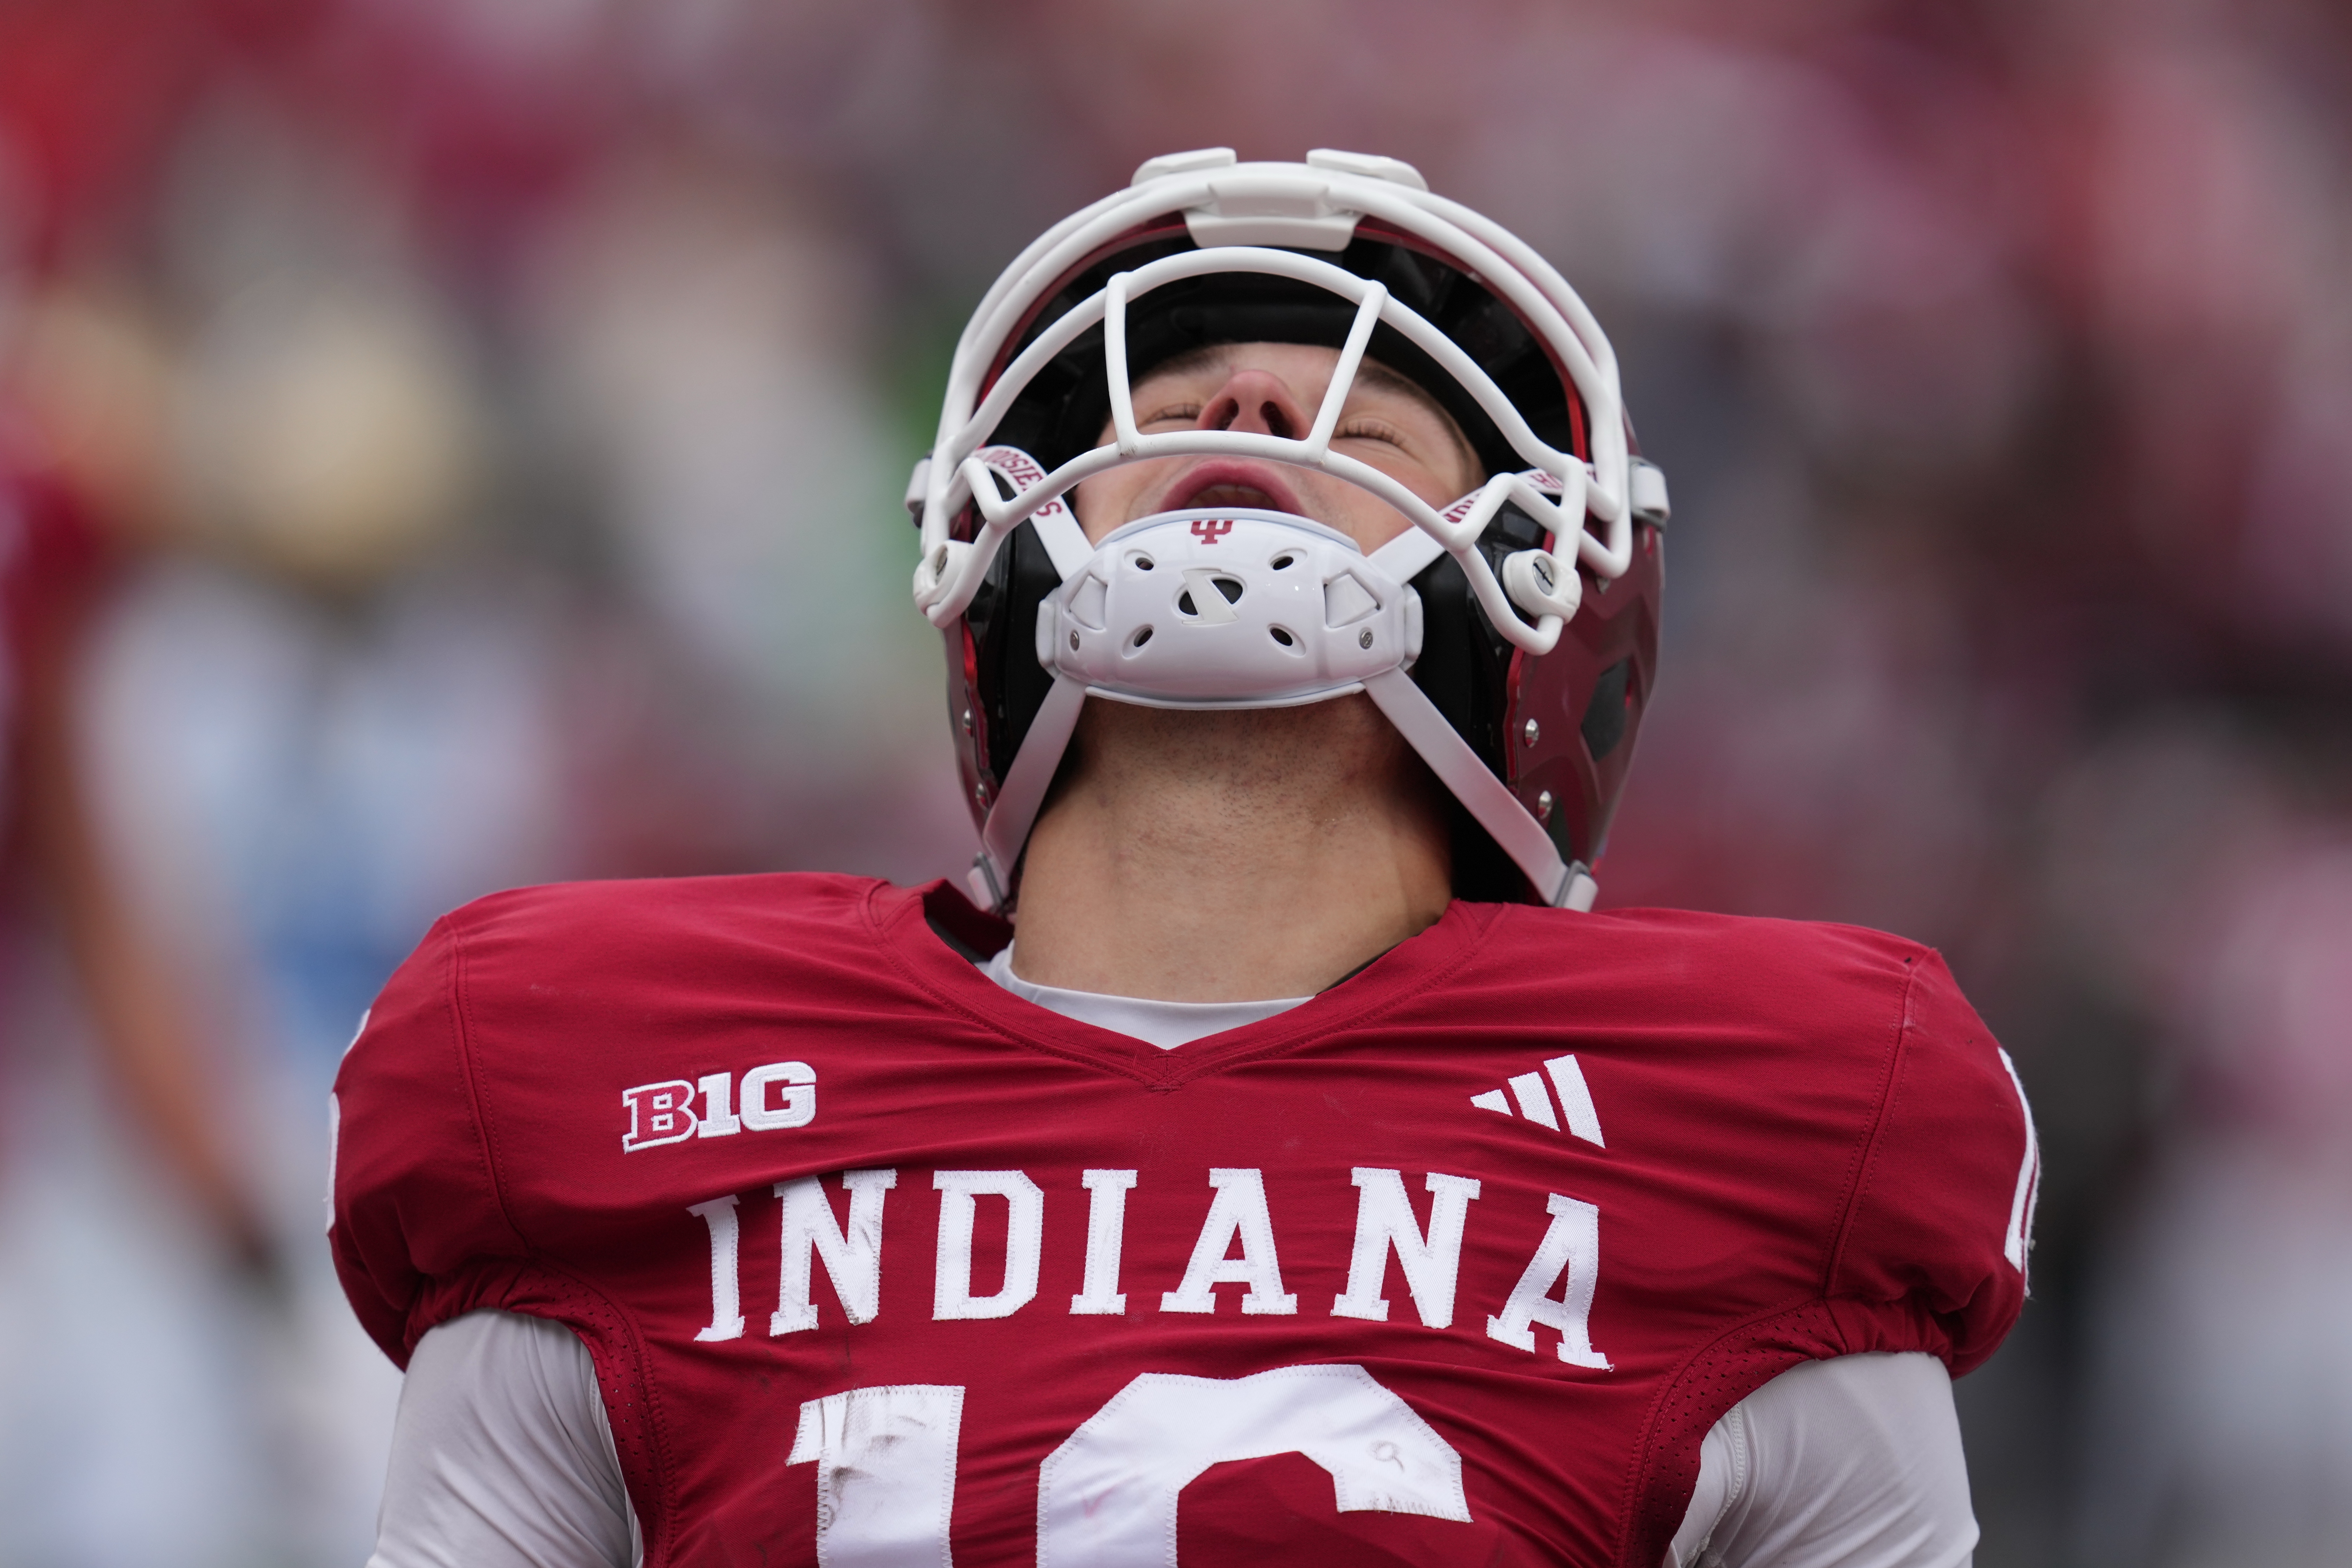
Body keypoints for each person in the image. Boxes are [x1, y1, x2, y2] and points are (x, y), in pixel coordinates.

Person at [332, 150, 2037, 1568]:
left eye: (1370, 430)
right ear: (1004, 553)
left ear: (1537, 610)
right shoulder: (605, 1081)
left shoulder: (1748, 1134)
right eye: (1163, 404)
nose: (1249, 401)